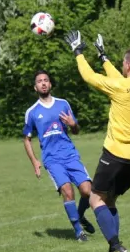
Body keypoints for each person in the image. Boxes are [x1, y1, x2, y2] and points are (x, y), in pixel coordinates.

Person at [64, 30, 130, 252]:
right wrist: (103, 56)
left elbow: (90, 77)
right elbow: (118, 79)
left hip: (115, 154)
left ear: (127, 65)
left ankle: (115, 246)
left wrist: (78, 52)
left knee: (94, 197)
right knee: (109, 199)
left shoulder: (120, 89)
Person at [23, 70, 95, 242]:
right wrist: (34, 161)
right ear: (35, 87)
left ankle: (80, 215)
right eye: (39, 81)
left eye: (46, 80)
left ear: (50, 84)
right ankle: (79, 232)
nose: (43, 83)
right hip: (52, 159)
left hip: (70, 155)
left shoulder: (63, 104)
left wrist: (73, 124)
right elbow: (26, 139)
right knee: (68, 191)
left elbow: (76, 130)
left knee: (88, 191)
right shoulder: (32, 112)